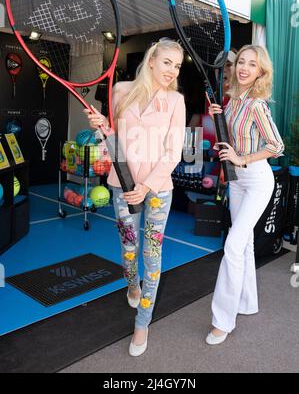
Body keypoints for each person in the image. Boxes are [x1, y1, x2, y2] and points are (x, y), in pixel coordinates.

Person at [84, 38, 186, 356]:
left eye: (178, 65)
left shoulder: (176, 101)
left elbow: (173, 151)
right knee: (129, 252)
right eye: (167, 62)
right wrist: (102, 128)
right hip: (121, 185)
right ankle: (131, 285)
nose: (172, 70)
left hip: (157, 192)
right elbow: (114, 140)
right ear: (152, 59)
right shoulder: (122, 92)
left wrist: (147, 185)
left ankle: (142, 323)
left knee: (151, 257)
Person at [206, 44, 284, 345]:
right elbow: (234, 138)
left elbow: (276, 146)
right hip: (237, 181)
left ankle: (223, 321)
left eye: (252, 64)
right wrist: (219, 114)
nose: (244, 68)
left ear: (260, 72)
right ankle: (247, 302)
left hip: (258, 181)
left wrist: (240, 159)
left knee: (234, 245)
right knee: (245, 244)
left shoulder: (255, 104)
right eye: (241, 62)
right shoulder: (233, 101)